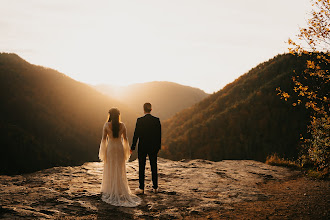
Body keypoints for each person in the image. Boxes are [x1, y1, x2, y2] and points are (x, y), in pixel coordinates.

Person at [99, 108, 141, 207]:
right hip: (119, 148)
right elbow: (125, 139)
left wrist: (103, 152)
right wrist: (127, 152)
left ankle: (110, 189)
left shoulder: (106, 125)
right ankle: (119, 189)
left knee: (110, 167)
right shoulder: (122, 125)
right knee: (120, 168)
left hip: (111, 148)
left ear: (109, 115)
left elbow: (104, 139)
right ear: (118, 115)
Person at [131, 103, 161, 194]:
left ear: (143, 110)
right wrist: (158, 147)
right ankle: (155, 187)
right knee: (154, 166)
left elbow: (136, 135)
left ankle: (141, 188)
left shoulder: (139, 120)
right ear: (151, 109)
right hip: (153, 147)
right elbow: (159, 135)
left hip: (142, 147)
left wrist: (132, 147)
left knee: (141, 167)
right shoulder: (156, 120)